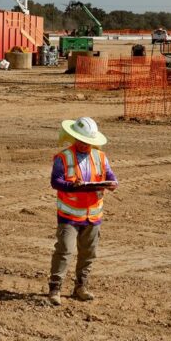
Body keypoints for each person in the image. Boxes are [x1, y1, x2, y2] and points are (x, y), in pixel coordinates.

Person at [48, 117, 118, 306]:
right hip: (69, 216)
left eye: (87, 142)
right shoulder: (63, 157)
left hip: (93, 215)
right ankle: (55, 288)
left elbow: (111, 176)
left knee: (88, 253)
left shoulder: (100, 157)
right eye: (81, 140)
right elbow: (55, 181)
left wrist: (112, 183)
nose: (84, 145)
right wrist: (72, 186)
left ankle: (81, 286)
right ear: (74, 138)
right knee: (64, 251)